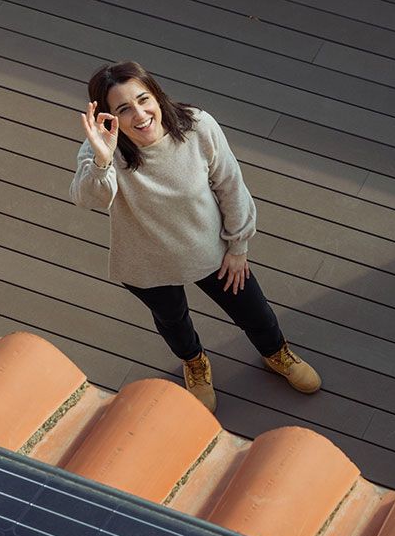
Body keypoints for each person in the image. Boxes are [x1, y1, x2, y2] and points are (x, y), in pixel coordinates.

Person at [69, 61, 319, 412]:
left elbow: (231, 185)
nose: (139, 115)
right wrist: (102, 158)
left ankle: (276, 353)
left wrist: (238, 245)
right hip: (146, 263)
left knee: (255, 312)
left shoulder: (197, 126)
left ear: (157, 95)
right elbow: (89, 199)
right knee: (173, 321)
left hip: (211, 250)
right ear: (109, 118)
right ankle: (194, 362)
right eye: (123, 109)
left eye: (144, 99)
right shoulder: (102, 151)